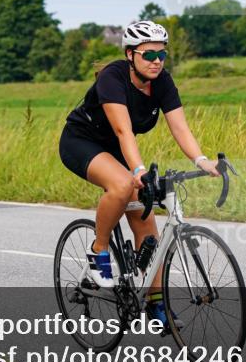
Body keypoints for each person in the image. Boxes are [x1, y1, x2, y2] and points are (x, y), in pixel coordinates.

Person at [58, 20, 221, 326]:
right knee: (121, 186)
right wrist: (140, 171)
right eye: (149, 55)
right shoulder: (113, 77)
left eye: (162, 55)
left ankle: (155, 303)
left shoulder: (162, 82)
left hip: (118, 149)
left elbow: (180, 127)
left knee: (147, 224)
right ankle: (99, 251)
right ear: (130, 55)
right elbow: (123, 131)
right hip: (82, 142)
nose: (156, 62)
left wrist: (201, 160)